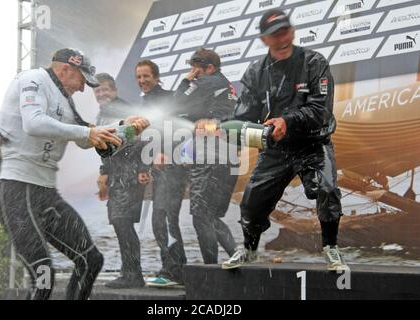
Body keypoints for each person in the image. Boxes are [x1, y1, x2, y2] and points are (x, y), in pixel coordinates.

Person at [0, 48, 148, 300]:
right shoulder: (32, 79)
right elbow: (33, 123)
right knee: (43, 276)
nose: (82, 89)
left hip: (46, 194)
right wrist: (88, 134)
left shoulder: (65, 100)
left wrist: (124, 127)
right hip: (17, 191)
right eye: (82, 80)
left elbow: (87, 135)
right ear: (66, 69)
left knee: (91, 260)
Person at [222, 9, 348, 271]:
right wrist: (233, 130)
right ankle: (249, 249)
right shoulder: (256, 72)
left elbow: (321, 110)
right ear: (264, 39)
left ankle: (331, 248)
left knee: (327, 189)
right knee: (251, 201)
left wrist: (287, 121)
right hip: (277, 148)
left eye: (285, 31)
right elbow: (246, 116)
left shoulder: (315, 62)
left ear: (292, 31)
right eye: (274, 35)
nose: (282, 39)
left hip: (313, 142)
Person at [174, 48, 238, 265]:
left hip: (210, 156)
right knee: (209, 215)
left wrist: (185, 81)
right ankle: (238, 257)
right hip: (228, 158)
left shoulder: (208, 82)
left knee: (201, 216)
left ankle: (210, 270)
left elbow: (177, 102)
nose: (193, 73)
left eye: (195, 69)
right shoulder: (224, 84)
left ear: (209, 68)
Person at [93, 73, 151, 289]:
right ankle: (130, 272)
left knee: (122, 222)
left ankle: (133, 274)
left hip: (129, 174)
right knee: (120, 223)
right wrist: (104, 172)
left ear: (114, 91)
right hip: (118, 174)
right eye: (97, 91)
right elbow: (106, 148)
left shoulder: (121, 109)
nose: (101, 93)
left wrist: (143, 168)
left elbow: (142, 138)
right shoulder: (103, 113)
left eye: (105, 89)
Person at [135, 60, 188, 287]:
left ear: (156, 77)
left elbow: (180, 128)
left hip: (173, 167)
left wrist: (167, 152)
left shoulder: (168, 98)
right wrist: (143, 168)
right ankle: (176, 268)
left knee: (164, 218)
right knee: (161, 220)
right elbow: (146, 139)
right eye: (138, 77)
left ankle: (173, 271)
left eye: (146, 76)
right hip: (157, 170)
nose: (142, 81)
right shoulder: (144, 103)